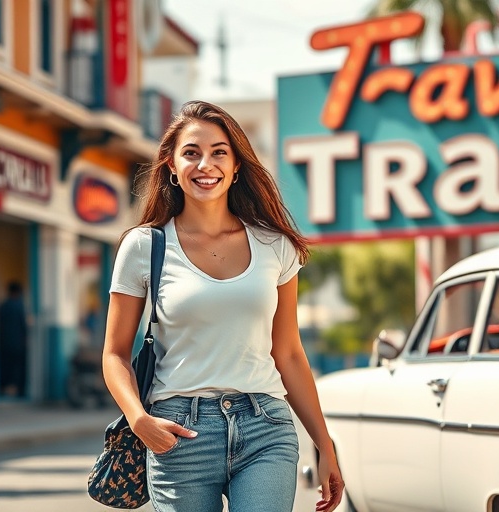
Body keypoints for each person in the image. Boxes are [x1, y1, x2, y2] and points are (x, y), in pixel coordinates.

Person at [103, 101, 344, 512]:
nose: (205, 164)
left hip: (265, 425)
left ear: (236, 167)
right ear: (172, 167)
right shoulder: (144, 246)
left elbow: (287, 352)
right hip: (178, 431)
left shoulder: (275, 245)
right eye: (191, 153)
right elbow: (114, 354)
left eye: (219, 152)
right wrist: (139, 421)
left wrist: (324, 444)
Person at [0, 281, 28, 397]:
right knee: (18, 367)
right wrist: (25, 339)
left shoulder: (3, 306)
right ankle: (18, 389)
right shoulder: (20, 306)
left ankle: (3, 387)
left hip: (4, 342)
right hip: (17, 343)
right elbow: (23, 324)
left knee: (5, 366)